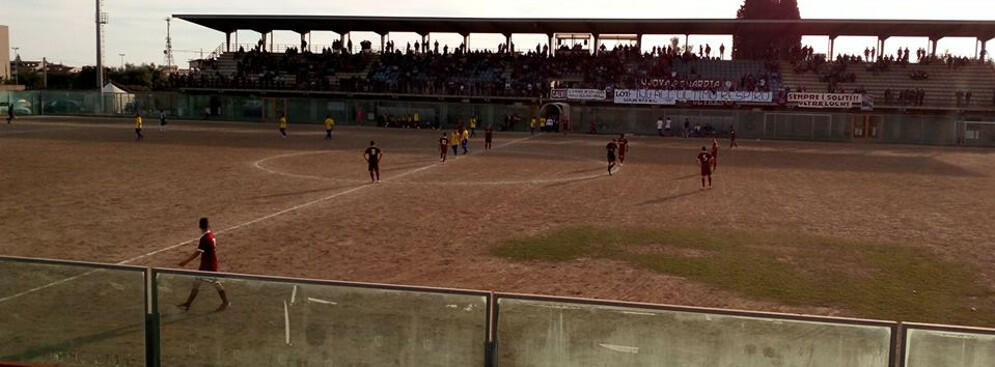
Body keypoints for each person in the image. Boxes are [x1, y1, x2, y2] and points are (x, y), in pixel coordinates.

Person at [177, 217, 230, 312]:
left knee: (214, 283)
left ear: (200, 226)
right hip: (209, 264)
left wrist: (185, 261)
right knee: (198, 283)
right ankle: (188, 303)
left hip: (208, 266)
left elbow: (198, 253)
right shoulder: (211, 235)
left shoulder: (205, 238)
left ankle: (225, 302)